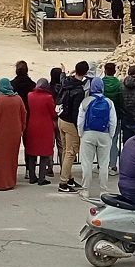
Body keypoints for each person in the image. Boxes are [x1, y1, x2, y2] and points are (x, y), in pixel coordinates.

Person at [77, 76, 117, 197]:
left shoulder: (86, 101)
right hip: (104, 134)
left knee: (87, 163)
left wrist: (81, 134)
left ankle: (85, 190)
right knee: (104, 164)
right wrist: (110, 135)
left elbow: (80, 121)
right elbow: (112, 121)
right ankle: (103, 190)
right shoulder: (109, 102)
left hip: (88, 134)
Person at [0, 78, 27, 190]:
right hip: (15, 134)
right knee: (12, 158)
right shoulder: (18, 99)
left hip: (0, 135)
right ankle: (10, 182)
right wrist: (21, 129)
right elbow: (24, 115)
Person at [56, 62, 91, 192]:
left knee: (65, 150)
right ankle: (63, 182)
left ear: (75, 70)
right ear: (86, 73)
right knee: (71, 152)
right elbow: (77, 112)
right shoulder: (80, 91)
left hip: (61, 119)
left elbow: (62, 79)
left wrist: (63, 71)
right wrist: (79, 128)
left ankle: (69, 178)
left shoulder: (67, 82)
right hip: (71, 122)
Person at [26, 77, 57, 184]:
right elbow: (53, 113)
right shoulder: (48, 97)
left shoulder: (30, 95)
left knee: (32, 153)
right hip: (45, 126)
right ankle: (41, 178)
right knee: (44, 153)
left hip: (32, 125)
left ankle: (32, 176)